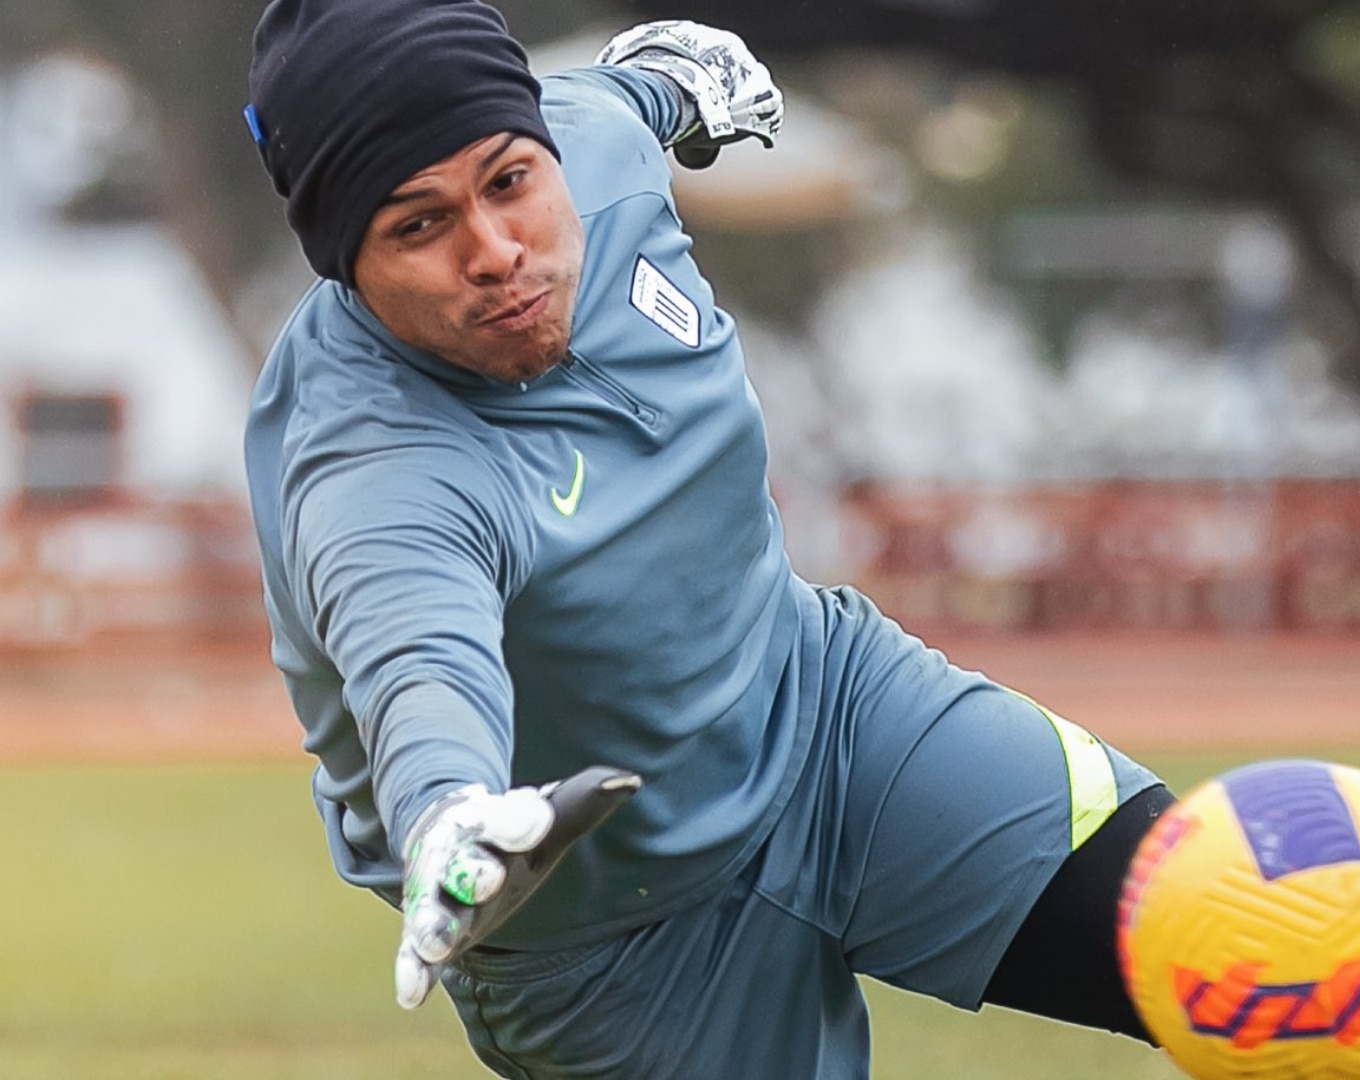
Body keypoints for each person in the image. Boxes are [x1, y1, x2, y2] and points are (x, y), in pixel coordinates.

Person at [242, 2, 1176, 1076]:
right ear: (344, 266)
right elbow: (414, 656)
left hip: (835, 726)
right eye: (417, 225)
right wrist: (446, 814)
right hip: (618, 948)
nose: (495, 250)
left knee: (1244, 939)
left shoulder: (594, 143)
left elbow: (640, 86)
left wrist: (678, 69)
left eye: (509, 182)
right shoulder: (374, 468)